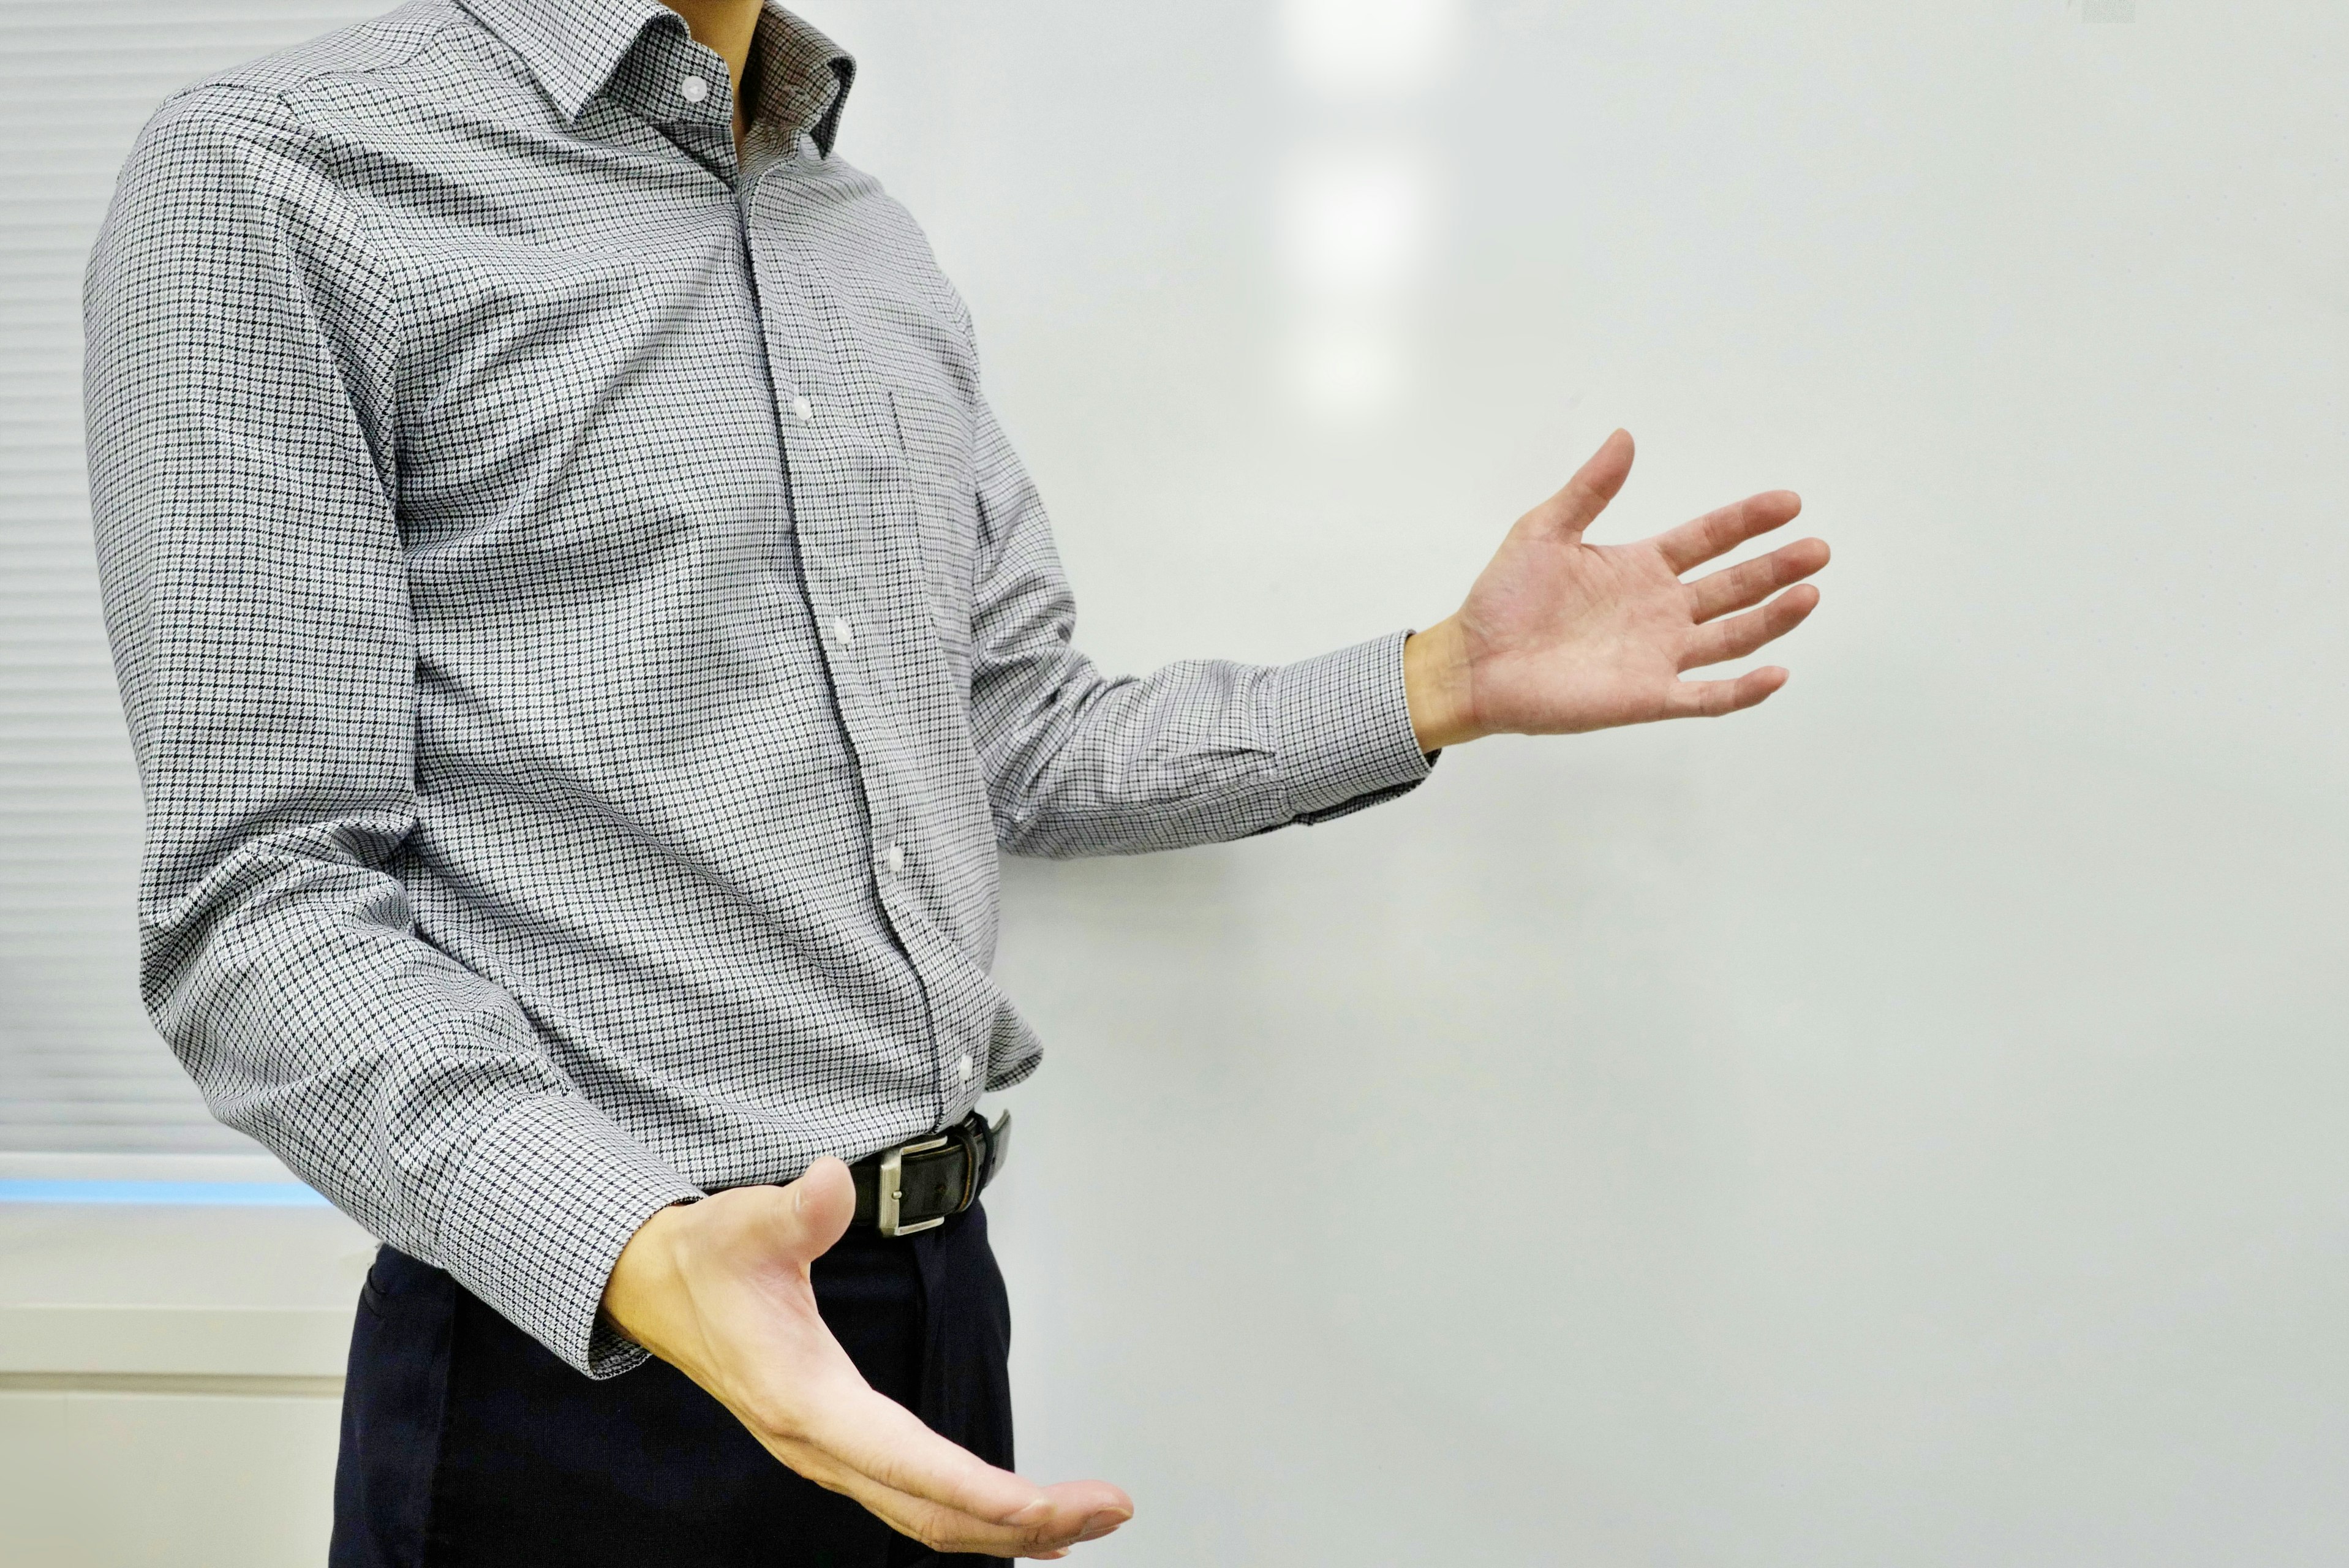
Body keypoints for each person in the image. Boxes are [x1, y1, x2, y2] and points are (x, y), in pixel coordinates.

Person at [81, 1, 1828, 1562]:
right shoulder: (281, 176)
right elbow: (262, 910)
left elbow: (1021, 733)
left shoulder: (868, 246)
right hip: (578, 1375)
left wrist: (1438, 680)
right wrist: (629, 1250)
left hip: (935, 1311)